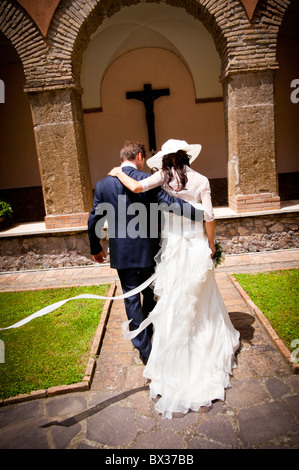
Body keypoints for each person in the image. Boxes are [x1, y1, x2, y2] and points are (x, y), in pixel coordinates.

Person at [108, 139, 240, 419]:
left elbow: (134, 187)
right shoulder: (202, 179)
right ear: (186, 157)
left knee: (173, 297)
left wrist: (119, 172)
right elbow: (209, 216)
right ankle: (204, 347)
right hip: (194, 246)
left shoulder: (162, 178)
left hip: (172, 248)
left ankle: (172, 357)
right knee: (201, 297)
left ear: (166, 159)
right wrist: (211, 244)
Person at [88, 140, 203, 366]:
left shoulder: (103, 184)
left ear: (123, 158)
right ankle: (151, 332)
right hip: (149, 250)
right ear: (139, 157)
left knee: (131, 297)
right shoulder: (147, 180)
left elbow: (95, 217)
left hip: (122, 253)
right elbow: (170, 203)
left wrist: (95, 247)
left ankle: (144, 347)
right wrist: (200, 214)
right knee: (150, 293)